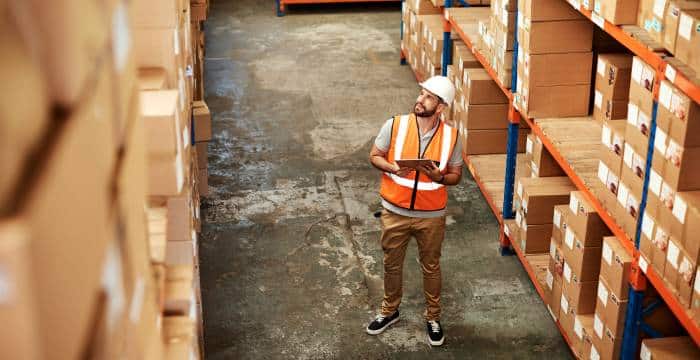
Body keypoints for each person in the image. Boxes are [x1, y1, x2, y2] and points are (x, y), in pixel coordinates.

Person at [366, 76, 462, 346]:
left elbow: (456, 175)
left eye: (429, 97)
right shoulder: (395, 125)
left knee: (431, 267)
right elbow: (374, 156)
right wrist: (393, 168)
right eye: (421, 93)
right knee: (391, 264)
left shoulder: (451, 137)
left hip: (431, 216)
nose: (420, 100)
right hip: (394, 211)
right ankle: (389, 310)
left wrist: (439, 177)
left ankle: (433, 317)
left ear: (441, 106)